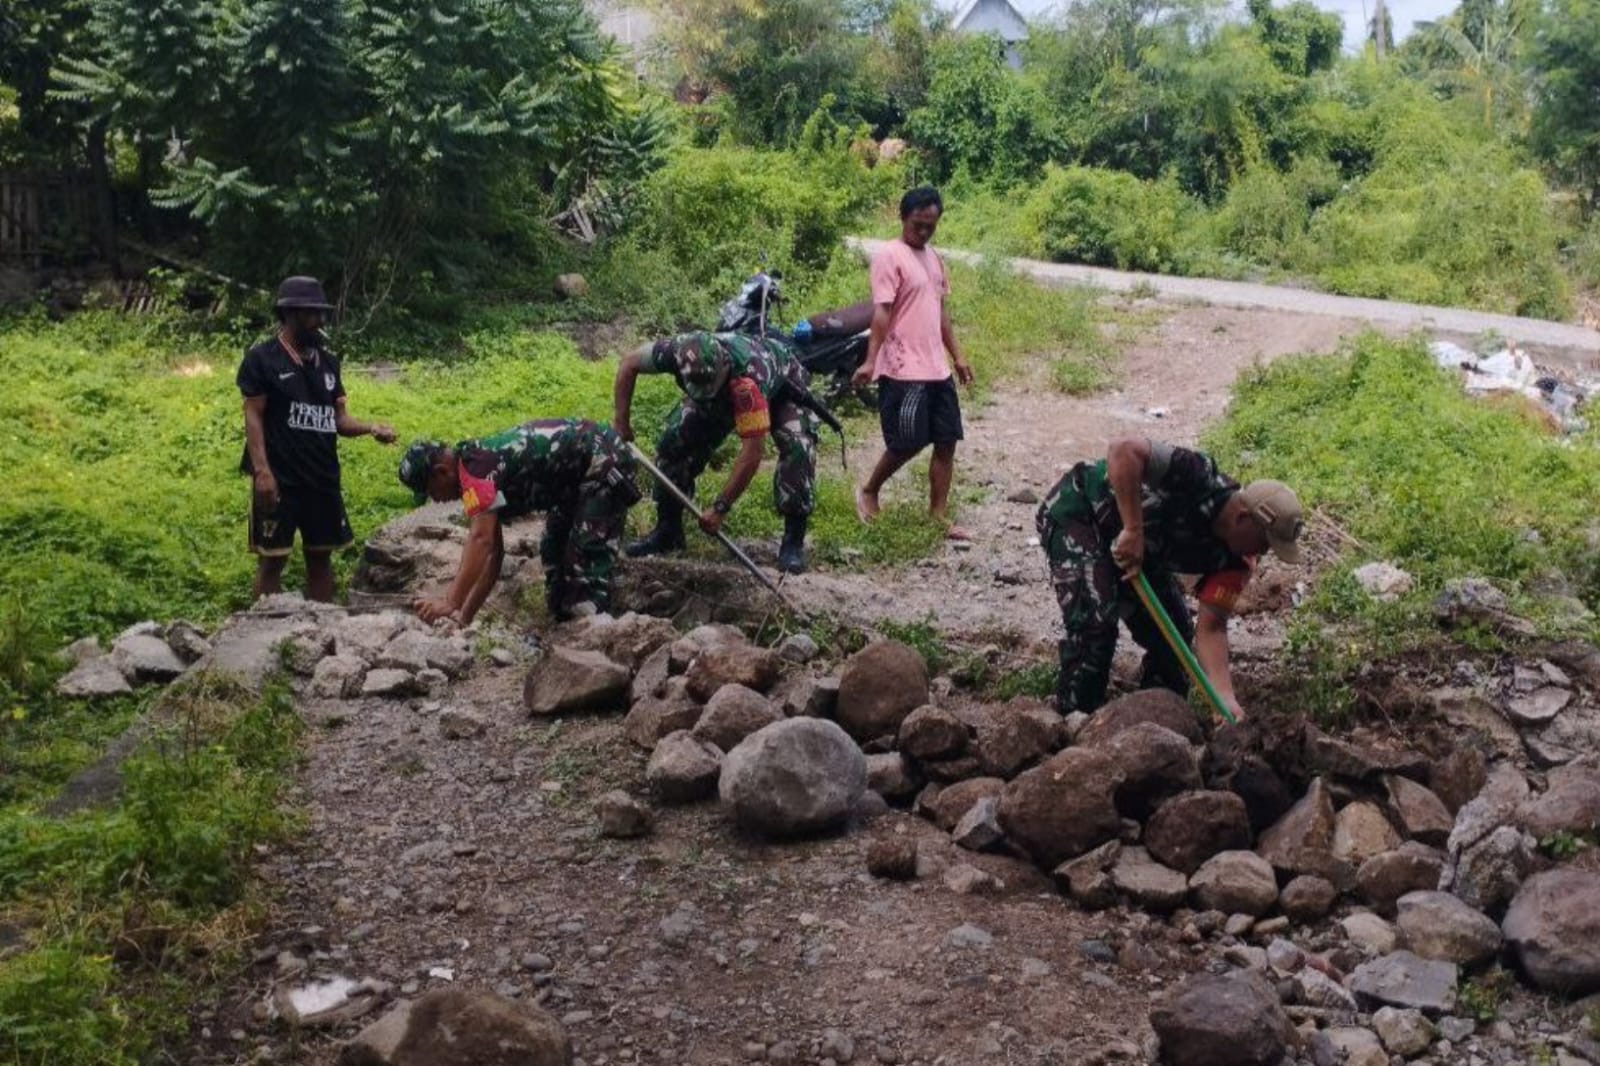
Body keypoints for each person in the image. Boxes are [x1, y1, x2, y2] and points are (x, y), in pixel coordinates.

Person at [1036, 437, 1304, 721]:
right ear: (1242, 518)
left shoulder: (1237, 562)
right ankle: (1074, 721)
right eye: (1264, 542)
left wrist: (1224, 700)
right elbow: (1123, 450)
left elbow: (1212, 629)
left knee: (1174, 640)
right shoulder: (1197, 474)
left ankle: (1153, 723)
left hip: (1139, 555)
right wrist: (1133, 529)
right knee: (1097, 624)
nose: (1263, 552)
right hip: (1081, 513)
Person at [239, 276, 395, 601]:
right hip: (280, 478)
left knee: (321, 558)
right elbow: (253, 415)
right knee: (274, 559)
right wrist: (262, 472)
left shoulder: (328, 363)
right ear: (291, 313)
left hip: (321, 477)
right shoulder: (262, 359)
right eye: (313, 314)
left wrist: (370, 428)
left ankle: (319, 634)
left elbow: (339, 420)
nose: (320, 321)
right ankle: (264, 632)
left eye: (321, 313)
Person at [396, 419, 640, 625]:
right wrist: (463, 618)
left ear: (441, 472)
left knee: (586, 560)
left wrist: (450, 602)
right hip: (573, 479)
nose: (434, 500)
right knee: (553, 548)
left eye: (430, 491)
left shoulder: (476, 472)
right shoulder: (474, 472)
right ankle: (566, 625)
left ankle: (598, 640)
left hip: (603, 461)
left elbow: (481, 540)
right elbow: (493, 556)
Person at [613, 330, 818, 574]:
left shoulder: (747, 382)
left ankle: (793, 542)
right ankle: (668, 531)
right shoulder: (676, 350)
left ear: (723, 366)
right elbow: (628, 364)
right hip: (721, 395)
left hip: (784, 388)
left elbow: (752, 452)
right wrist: (621, 422)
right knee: (672, 443)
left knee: (797, 448)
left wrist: (721, 507)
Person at [853, 186, 975, 536]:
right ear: (903, 218)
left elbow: (941, 313)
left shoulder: (934, 259)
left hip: (936, 367)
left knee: (946, 439)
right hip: (903, 366)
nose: (923, 231)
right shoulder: (889, 256)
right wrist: (870, 360)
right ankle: (869, 490)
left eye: (930, 226)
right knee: (907, 440)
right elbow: (882, 311)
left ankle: (937, 516)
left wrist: (959, 356)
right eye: (917, 224)